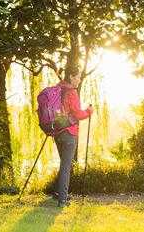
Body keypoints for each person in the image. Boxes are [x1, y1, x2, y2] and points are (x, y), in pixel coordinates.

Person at [53, 69, 93, 207]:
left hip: (57, 133)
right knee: (66, 166)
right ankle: (62, 200)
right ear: (71, 76)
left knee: (63, 164)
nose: (79, 80)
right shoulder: (71, 92)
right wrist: (88, 111)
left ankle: (58, 193)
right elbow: (78, 114)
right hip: (69, 133)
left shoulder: (58, 88)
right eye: (78, 77)